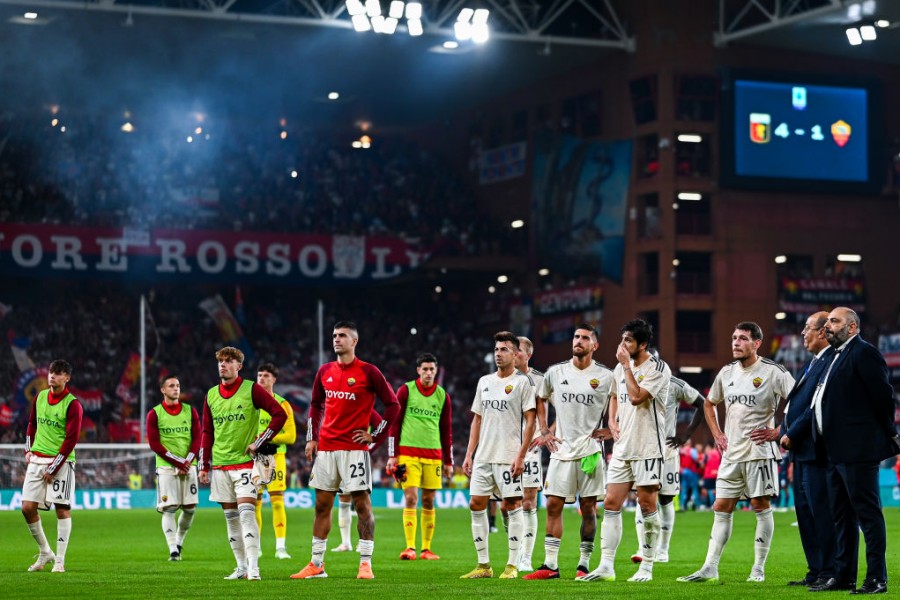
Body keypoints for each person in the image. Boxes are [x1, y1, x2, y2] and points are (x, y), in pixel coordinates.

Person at [678, 322, 794, 584]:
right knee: (721, 506)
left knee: (760, 505)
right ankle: (710, 568)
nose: (736, 343)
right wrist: (717, 434)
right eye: (733, 338)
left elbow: (799, 398)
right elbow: (709, 403)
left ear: (757, 343)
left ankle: (758, 569)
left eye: (742, 338)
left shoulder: (773, 372)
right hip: (731, 454)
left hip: (759, 452)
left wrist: (779, 431)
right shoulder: (726, 372)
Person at [291, 320, 400, 580]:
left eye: (342, 336)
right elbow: (315, 405)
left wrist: (375, 435)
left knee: (362, 505)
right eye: (334, 335)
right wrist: (311, 438)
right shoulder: (324, 371)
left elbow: (393, 406)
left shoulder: (369, 372)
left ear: (354, 341)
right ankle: (317, 564)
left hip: (354, 450)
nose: (336, 339)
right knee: (321, 506)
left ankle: (365, 563)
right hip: (326, 449)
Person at [809, 307, 895, 594]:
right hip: (833, 450)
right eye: (828, 321)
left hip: (857, 450)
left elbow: (883, 397)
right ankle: (844, 575)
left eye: (835, 321)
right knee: (842, 517)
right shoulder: (836, 356)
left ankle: (876, 578)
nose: (828, 326)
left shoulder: (863, 353)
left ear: (853, 328)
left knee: (867, 516)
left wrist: (882, 434)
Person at [580, 318, 670, 583]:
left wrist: (626, 366)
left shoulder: (658, 368)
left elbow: (636, 396)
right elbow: (616, 397)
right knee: (610, 503)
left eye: (628, 340)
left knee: (646, 505)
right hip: (623, 447)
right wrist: (612, 422)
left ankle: (647, 566)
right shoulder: (621, 370)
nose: (622, 345)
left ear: (643, 344)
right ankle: (607, 566)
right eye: (621, 339)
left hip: (648, 447)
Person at [523, 324, 613, 580]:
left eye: (585, 338)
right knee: (553, 504)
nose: (579, 341)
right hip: (561, 450)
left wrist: (611, 428)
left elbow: (621, 402)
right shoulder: (555, 372)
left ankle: (583, 565)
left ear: (594, 345)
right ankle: (550, 565)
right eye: (576, 336)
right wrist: (544, 430)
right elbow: (541, 398)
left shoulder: (606, 376)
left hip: (590, 452)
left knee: (588, 508)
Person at [198, 346, 288, 581]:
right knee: (231, 519)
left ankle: (254, 568)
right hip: (220, 466)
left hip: (246, 464)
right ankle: (241, 567)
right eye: (220, 361)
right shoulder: (211, 395)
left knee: (247, 514)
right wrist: (204, 465)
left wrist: (259, 441)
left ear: (239, 366)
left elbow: (280, 415)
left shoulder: (252, 389)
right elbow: (207, 431)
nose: (223, 365)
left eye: (228, 361)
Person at [460, 331, 536, 580]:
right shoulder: (485, 382)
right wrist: (469, 453)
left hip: (508, 456)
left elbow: (530, 421)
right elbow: (477, 420)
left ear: (515, 354)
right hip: (483, 456)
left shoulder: (523, 382)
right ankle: (484, 566)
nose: (498, 354)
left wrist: (521, 456)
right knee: (476, 504)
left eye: (504, 349)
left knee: (512, 505)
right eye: (496, 349)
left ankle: (513, 565)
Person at [777, 312, 835, 588]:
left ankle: (828, 570)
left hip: (815, 450)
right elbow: (796, 404)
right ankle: (815, 570)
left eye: (807, 329)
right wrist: (781, 430)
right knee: (805, 513)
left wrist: (792, 433)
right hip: (800, 452)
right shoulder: (812, 364)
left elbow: (816, 406)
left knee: (820, 512)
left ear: (822, 332)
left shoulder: (830, 362)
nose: (803, 334)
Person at [631, 370, 707, 563]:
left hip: (667, 449)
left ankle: (663, 550)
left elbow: (702, 403)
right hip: (641, 447)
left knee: (665, 499)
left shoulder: (675, 384)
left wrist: (686, 435)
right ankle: (642, 547)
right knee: (642, 497)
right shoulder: (633, 382)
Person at [386, 353, 453, 561]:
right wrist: (392, 454)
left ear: (436, 370)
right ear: (418, 370)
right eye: (424, 369)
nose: (428, 373)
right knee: (411, 497)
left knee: (428, 500)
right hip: (408, 454)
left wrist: (449, 461)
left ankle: (426, 549)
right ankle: (409, 548)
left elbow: (446, 430)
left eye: (432, 369)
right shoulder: (406, 390)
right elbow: (394, 424)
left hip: (433, 456)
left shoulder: (443, 396)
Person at [21, 359, 82, 573]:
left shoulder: (73, 404)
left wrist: (54, 467)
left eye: (58, 373)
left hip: (61, 462)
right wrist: (28, 449)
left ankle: (60, 560)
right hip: (37, 460)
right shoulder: (40, 397)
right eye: (51, 372)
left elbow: (71, 439)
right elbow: (32, 424)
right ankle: (45, 552)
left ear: (67, 378)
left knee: (62, 508)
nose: (52, 376)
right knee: (27, 507)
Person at [146, 374, 200, 561]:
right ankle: (173, 550)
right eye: (171, 386)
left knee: (190, 508)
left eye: (177, 385)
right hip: (167, 468)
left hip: (189, 466)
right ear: (163, 390)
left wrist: (188, 461)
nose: (176, 389)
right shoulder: (154, 414)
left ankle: (179, 541)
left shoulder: (190, 411)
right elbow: (155, 444)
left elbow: (197, 438)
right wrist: (178, 462)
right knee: (169, 508)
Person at [254, 363, 297, 559]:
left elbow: (291, 436)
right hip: (253, 458)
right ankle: (256, 546)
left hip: (276, 457)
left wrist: (265, 437)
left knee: (277, 502)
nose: (261, 378)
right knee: (255, 503)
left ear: (274, 380)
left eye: (266, 376)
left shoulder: (283, 404)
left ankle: (281, 547)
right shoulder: (249, 404)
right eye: (259, 375)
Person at [511, 336, 543, 572]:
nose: (513, 353)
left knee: (529, 502)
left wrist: (547, 433)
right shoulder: (502, 379)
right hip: (505, 447)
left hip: (531, 449)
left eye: (518, 350)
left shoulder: (541, 380)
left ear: (528, 355)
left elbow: (555, 410)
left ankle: (526, 557)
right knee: (507, 505)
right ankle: (515, 547)